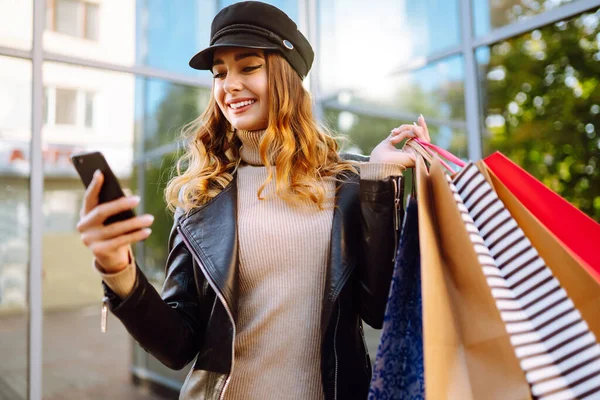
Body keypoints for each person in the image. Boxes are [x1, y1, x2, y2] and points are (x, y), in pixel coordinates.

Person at [76, 2, 431, 399]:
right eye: (220, 73)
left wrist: (380, 181)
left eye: (248, 67)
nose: (229, 85)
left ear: (286, 76)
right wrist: (118, 269)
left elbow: (380, 307)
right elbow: (178, 347)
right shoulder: (201, 196)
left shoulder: (349, 183)